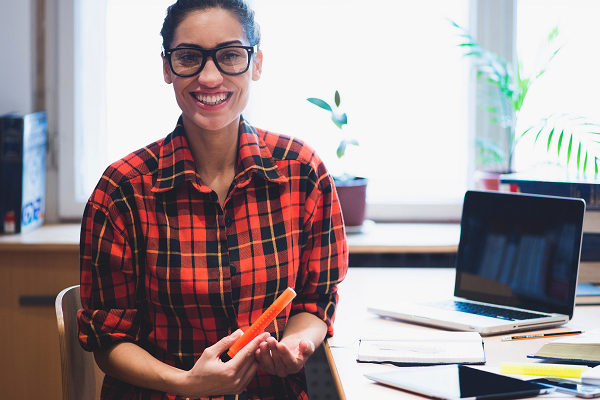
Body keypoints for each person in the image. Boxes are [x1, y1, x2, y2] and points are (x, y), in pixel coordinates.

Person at [76, 0, 348, 399]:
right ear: (167, 68)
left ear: (256, 64)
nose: (209, 76)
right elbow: (108, 339)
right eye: (189, 57)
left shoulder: (302, 172)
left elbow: (316, 298)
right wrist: (185, 383)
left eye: (230, 56)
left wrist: (294, 344)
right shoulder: (122, 190)